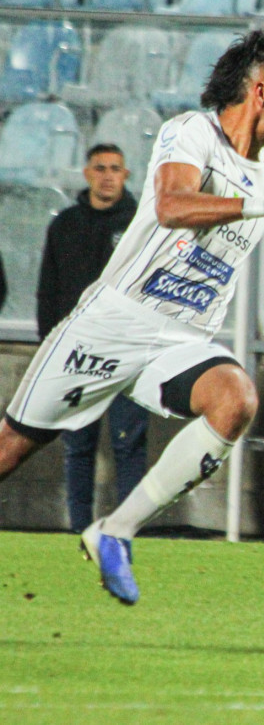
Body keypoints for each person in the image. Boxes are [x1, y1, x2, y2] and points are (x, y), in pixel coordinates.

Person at [0, 30, 264, 605]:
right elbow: (173, 206)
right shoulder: (190, 131)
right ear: (259, 91)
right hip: (114, 323)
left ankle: (114, 532)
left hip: (182, 340)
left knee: (235, 400)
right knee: (10, 450)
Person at [36, 143, 150, 533]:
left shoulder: (141, 224)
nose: (107, 175)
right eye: (100, 168)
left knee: (128, 443)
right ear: (86, 173)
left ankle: (125, 528)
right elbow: (47, 290)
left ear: (126, 175)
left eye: (115, 168)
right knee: (78, 445)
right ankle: (79, 527)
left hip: (127, 352)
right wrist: (48, 347)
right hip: (75, 355)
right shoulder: (64, 224)